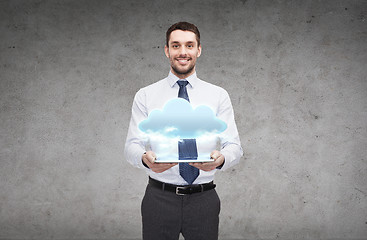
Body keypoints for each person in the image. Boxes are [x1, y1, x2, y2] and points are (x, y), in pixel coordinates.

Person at [124, 22, 243, 240]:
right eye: (176, 45)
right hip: (158, 199)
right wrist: (144, 158)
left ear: (198, 50)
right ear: (167, 50)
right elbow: (132, 145)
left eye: (189, 45)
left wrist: (220, 159)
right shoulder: (146, 95)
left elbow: (234, 146)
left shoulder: (218, 95)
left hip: (203, 200)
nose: (183, 52)